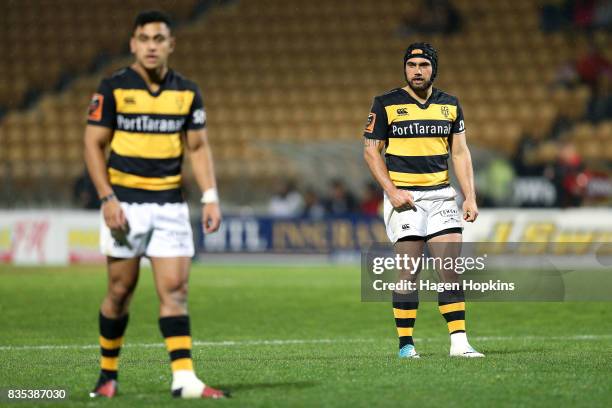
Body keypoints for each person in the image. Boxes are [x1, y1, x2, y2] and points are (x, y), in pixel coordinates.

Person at [84, 11, 227, 399]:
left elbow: (197, 147)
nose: (151, 45)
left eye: (158, 39)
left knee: (175, 289)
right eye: (144, 38)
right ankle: (107, 375)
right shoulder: (113, 88)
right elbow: (93, 144)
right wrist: (107, 197)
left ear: (171, 44)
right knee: (120, 291)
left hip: (169, 205)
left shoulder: (187, 91)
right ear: (133, 44)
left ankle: (184, 380)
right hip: (125, 205)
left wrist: (210, 196)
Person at [363, 42, 484, 358]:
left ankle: (459, 344)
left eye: (424, 65)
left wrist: (469, 196)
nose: (417, 71)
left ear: (434, 69)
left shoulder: (450, 105)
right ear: (405, 68)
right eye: (412, 65)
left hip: (442, 195)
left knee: (450, 268)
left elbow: (459, 152)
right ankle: (406, 345)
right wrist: (391, 191)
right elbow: (370, 151)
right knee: (409, 269)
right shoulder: (385, 103)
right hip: (404, 197)